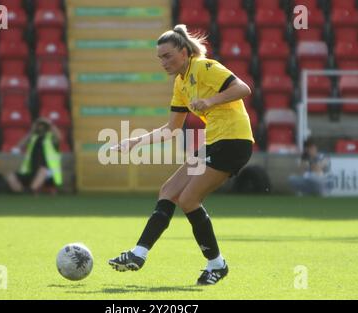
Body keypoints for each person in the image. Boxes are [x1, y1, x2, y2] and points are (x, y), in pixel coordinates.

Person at [108, 25, 254, 285]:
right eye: (160, 58)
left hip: (234, 141)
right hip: (214, 142)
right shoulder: (181, 83)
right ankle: (139, 254)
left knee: (188, 199)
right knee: (168, 190)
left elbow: (243, 89)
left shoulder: (204, 67)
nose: (164, 62)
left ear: (185, 52)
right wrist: (135, 142)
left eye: (168, 56)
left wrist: (209, 102)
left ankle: (216, 264)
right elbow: (172, 128)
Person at [6, 117, 63, 194]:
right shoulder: (33, 138)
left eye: (43, 125)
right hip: (31, 170)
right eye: (39, 125)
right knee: (10, 175)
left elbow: (59, 137)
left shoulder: (51, 138)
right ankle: (21, 192)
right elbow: (19, 146)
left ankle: (31, 190)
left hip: (49, 173)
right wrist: (31, 131)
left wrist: (50, 124)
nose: (40, 127)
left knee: (42, 170)